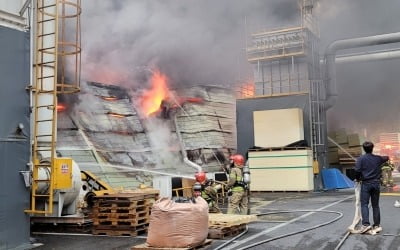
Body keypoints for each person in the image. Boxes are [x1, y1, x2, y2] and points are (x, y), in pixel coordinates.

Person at [355, 141, 389, 234]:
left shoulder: (361, 159)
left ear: (363, 149)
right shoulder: (378, 158)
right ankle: (377, 225)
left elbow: (357, 171)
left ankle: (366, 224)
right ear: (372, 148)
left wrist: (357, 179)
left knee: (364, 204)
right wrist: (386, 157)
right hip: (376, 184)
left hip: (366, 184)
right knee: (375, 205)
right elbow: (386, 158)